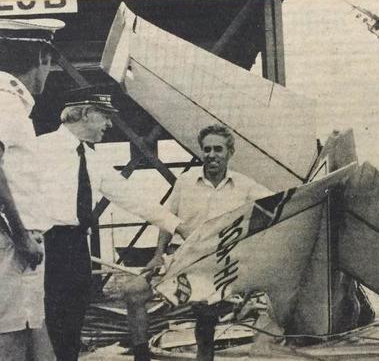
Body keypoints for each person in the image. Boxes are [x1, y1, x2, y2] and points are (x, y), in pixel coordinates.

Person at [37, 92, 192, 360]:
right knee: (48, 324)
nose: (109, 125)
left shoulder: (91, 158)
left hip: (75, 248)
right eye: (104, 116)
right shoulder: (39, 149)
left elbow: (131, 197)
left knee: (72, 322)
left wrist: (177, 226)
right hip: (45, 245)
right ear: (86, 113)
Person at [124, 124, 272, 361]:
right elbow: (167, 221)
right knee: (133, 292)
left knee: (205, 311)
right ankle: (141, 357)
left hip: (219, 264)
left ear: (229, 152)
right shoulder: (185, 182)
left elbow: (275, 207)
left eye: (218, 149)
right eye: (206, 149)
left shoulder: (246, 185)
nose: (211, 155)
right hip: (183, 258)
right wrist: (158, 254)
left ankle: (205, 356)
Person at [0, 18, 65, 361]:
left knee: (37, 344)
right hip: (8, 244)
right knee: (10, 349)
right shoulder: (3, 101)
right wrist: (21, 235)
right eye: (51, 64)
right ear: (42, 56)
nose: (49, 72)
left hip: (8, 244)